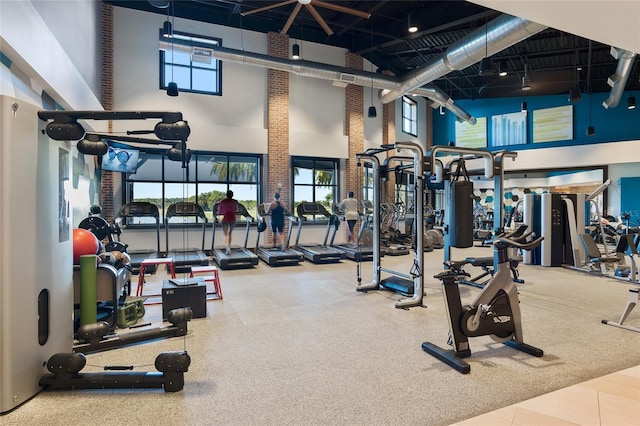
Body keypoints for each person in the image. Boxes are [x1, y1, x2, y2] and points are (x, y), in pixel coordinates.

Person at [217, 190, 238, 255]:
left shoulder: (223, 202)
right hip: (233, 218)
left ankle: (228, 248)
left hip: (225, 218)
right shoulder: (235, 202)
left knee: (226, 234)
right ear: (232, 195)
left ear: (226, 195)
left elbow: (219, 212)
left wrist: (217, 217)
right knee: (230, 233)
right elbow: (236, 209)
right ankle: (229, 247)